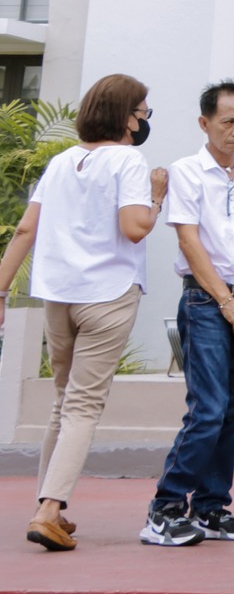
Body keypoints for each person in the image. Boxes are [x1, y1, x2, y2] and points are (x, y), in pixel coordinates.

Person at [0, 74, 165, 553]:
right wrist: (157, 195)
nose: (145, 120)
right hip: (108, 293)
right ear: (127, 117)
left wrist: (2, 290)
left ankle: (45, 507)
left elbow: (26, 230)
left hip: (60, 295)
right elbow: (134, 229)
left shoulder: (61, 162)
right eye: (144, 112)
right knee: (83, 405)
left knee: (62, 401)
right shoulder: (129, 160)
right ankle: (50, 510)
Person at [149, 80, 234, 543]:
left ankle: (211, 508)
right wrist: (225, 301)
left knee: (231, 412)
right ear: (205, 124)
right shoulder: (186, 172)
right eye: (228, 121)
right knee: (206, 409)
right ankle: (165, 508)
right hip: (206, 303)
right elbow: (189, 240)